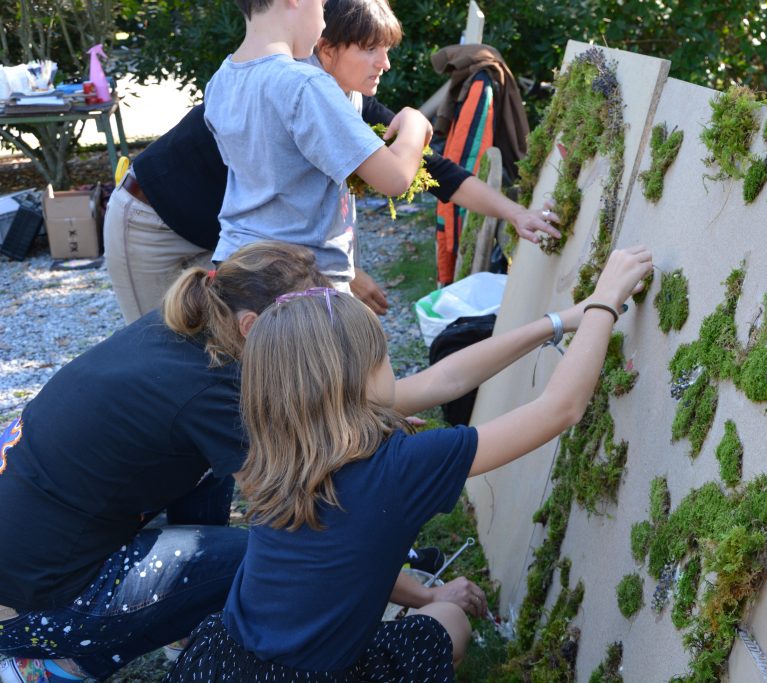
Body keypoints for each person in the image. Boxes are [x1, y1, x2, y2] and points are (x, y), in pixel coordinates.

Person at [0, 242, 485, 682]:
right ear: (253, 325)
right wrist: (426, 598)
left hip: (30, 550)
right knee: (246, 559)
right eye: (306, 326)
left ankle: (181, 624)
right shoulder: (215, 392)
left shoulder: (188, 331)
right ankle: (51, 664)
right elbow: (314, 532)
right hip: (44, 599)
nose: (322, 346)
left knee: (214, 474)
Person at [164, 245, 653, 681]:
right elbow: (559, 408)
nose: (393, 367)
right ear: (354, 383)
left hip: (224, 662)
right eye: (384, 357)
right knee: (451, 624)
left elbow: (447, 379)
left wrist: (562, 320)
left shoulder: (278, 446)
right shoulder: (398, 467)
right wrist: (606, 302)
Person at [103, 0, 560, 324]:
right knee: (173, 357)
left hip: (240, 247)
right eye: (369, 48)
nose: (384, 63)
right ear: (325, 46)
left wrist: (515, 213)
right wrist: (342, 272)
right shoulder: (297, 91)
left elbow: (433, 172)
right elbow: (392, 177)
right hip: (154, 218)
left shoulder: (337, 96)